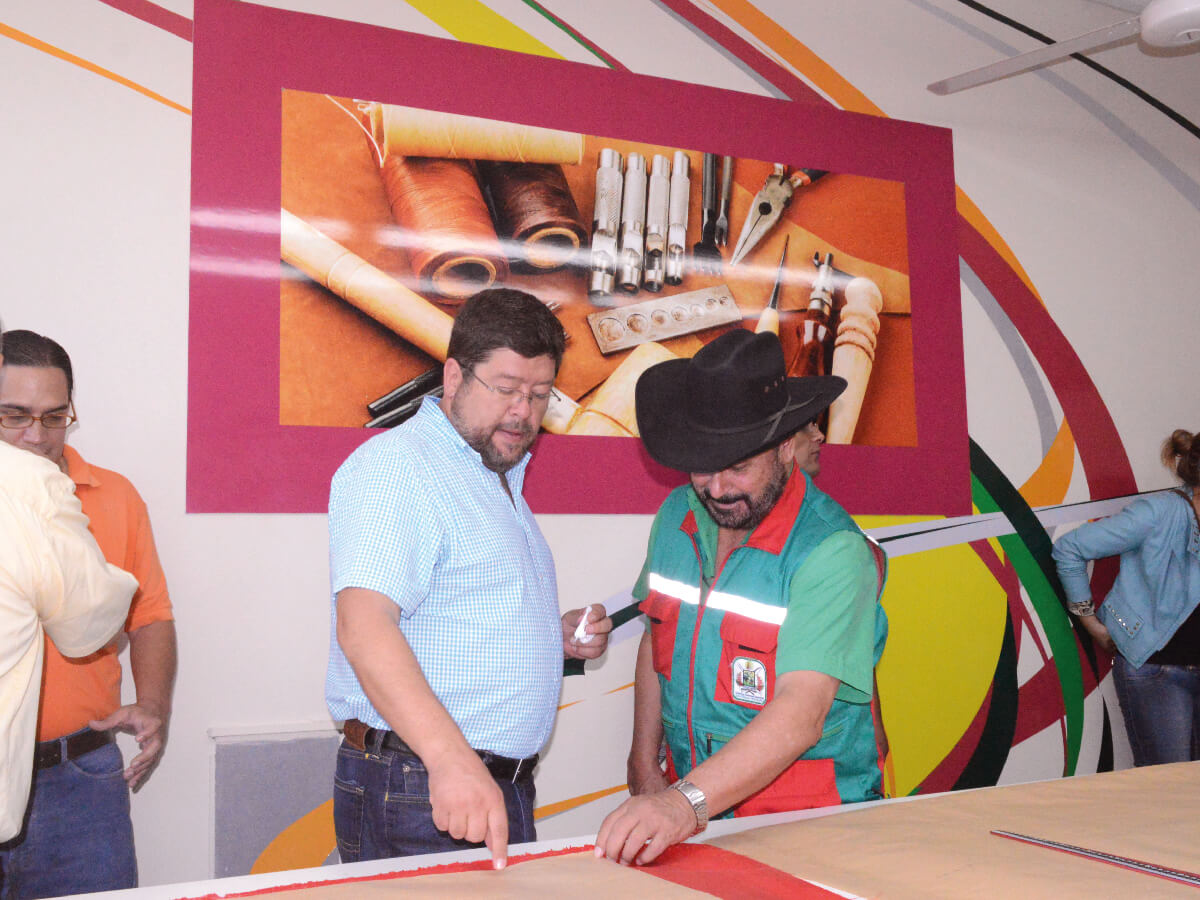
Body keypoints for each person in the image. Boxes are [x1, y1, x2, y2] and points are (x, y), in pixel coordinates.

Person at [326, 288, 611, 870]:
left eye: (539, 395)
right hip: (424, 780)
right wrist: (450, 761)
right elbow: (364, 627)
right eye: (505, 389)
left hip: (479, 781)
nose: (523, 412)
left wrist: (547, 638)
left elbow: (458, 615)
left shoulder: (493, 476)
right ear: (454, 377)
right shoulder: (400, 466)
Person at [595, 329, 887, 866]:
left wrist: (681, 805)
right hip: (698, 804)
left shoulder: (831, 550)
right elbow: (658, 638)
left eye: (739, 467)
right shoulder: (676, 515)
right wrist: (643, 761)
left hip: (807, 822)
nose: (718, 488)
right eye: (703, 466)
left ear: (785, 447)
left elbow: (802, 711)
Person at [0, 330, 176, 897]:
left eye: (54, 417)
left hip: (80, 778)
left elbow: (150, 614)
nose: (35, 436)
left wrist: (153, 705)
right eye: (14, 415)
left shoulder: (115, 495)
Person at [1053, 428, 1200, 766]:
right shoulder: (1159, 511)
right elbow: (1069, 549)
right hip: (1159, 672)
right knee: (1167, 788)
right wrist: (1091, 622)